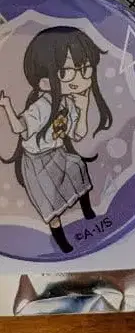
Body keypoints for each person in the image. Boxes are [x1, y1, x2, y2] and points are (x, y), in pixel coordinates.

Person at [0, 27, 112, 254]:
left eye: (85, 69)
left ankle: (88, 211)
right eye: (66, 72)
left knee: (77, 168)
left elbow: (77, 134)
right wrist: (7, 106)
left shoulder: (68, 102)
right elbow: (20, 129)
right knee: (50, 203)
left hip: (58, 153)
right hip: (37, 162)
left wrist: (83, 106)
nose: (81, 79)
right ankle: (61, 243)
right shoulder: (40, 106)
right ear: (43, 82)